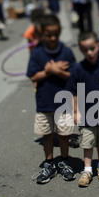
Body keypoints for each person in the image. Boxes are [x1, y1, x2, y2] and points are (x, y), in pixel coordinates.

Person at [26, 14, 77, 184]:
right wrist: (48, 71)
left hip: (64, 103)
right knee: (47, 134)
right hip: (44, 102)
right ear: (42, 34)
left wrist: (55, 71)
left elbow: (74, 76)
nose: (53, 38)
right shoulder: (38, 53)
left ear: (60, 32)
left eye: (56, 34)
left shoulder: (66, 52)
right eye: (49, 35)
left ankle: (64, 160)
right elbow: (33, 76)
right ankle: (49, 163)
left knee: (64, 135)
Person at [65, 31, 99, 187]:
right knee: (87, 142)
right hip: (86, 114)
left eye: (92, 48)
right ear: (81, 51)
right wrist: (76, 111)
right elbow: (73, 92)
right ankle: (87, 169)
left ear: (98, 46)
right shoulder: (78, 69)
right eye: (85, 50)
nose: (89, 52)